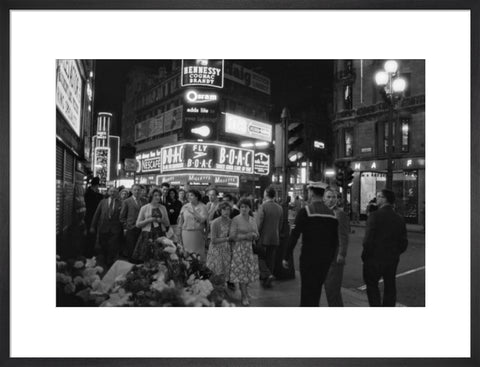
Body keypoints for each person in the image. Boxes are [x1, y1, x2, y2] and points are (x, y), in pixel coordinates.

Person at [282, 182, 339, 307]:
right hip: (324, 260)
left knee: (307, 291)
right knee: (317, 289)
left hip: (309, 259)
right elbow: (335, 241)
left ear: (311, 193)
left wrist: (286, 256)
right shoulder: (332, 214)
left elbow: (294, 235)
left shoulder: (306, 211)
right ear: (323, 194)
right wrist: (331, 259)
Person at [362, 189, 408, 307]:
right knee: (390, 286)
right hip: (391, 258)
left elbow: (368, 240)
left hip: (374, 258)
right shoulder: (399, 218)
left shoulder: (374, 216)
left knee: (372, 286)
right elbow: (403, 242)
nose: (376, 198)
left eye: (379, 196)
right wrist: (395, 252)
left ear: (385, 199)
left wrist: (366, 255)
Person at [229, 198, 260, 306]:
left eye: (246, 207)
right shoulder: (235, 220)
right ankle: (244, 295)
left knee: (248, 272)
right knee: (242, 273)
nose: (243, 209)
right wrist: (246, 236)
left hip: (249, 249)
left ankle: (244, 291)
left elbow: (257, 234)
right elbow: (232, 236)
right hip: (238, 249)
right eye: (242, 206)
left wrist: (254, 236)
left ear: (249, 208)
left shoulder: (252, 219)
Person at [323, 188, 350, 307]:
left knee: (332, 288)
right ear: (323, 198)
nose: (331, 199)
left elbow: (343, 236)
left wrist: (342, 253)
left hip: (334, 256)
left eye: (333, 197)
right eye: (328, 197)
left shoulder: (340, 214)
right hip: (324, 256)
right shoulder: (322, 212)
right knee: (328, 288)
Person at [132, 189, 170, 262]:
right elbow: (138, 224)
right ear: (151, 196)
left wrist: (161, 220)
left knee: (160, 258)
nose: (158, 197)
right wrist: (149, 220)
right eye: (155, 195)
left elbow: (167, 223)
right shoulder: (144, 208)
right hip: (147, 235)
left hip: (160, 234)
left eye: (159, 195)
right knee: (147, 258)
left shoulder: (163, 208)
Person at [256, 187, 283, 288]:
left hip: (263, 237)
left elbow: (259, 223)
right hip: (275, 238)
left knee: (261, 257)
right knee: (271, 259)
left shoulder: (263, 207)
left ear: (266, 194)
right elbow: (280, 224)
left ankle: (266, 275)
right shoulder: (279, 208)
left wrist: (256, 235)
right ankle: (268, 277)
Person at [89, 187, 123, 268]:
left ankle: (109, 262)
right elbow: (96, 214)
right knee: (103, 245)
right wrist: (92, 226)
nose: (112, 193)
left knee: (112, 246)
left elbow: (122, 216)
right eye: (111, 191)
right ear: (108, 192)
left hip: (115, 229)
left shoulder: (121, 203)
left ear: (117, 193)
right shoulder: (102, 202)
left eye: (114, 191)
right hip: (103, 228)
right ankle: (103, 260)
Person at [178, 189, 208, 260]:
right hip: (185, 232)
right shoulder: (185, 206)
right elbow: (180, 221)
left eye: (191, 195)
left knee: (197, 255)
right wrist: (179, 233)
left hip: (197, 233)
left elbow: (202, 220)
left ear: (197, 197)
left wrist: (193, 211)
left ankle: (199, 269)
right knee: (187, 254)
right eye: (188, 195)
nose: (189, 197)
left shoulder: (203, 207)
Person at [206, 201, 233, 281]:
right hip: (216, 250)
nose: (226, 212)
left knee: (225, 272)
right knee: (216, 272)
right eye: (224, 210)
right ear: (220, 211)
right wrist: (227, 239)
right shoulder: (215, 222)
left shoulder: (231, 221)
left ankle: (223, 288)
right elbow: (213, 240)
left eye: (228, 210)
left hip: (226, 249)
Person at [119, 184, 143, 260]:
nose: (137, 191)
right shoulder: (127, 201)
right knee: (131, 248)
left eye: (138, 190)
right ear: (132, 191)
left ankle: (138, 263)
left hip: (142, 228)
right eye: (135, 190)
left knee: (140, 247)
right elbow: (122, 217)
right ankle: (131, 264)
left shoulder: (144, 201)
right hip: (131, 228)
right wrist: (126, 226)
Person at [84, 176, 104, 257]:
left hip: (91, 216)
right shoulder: (90, 194)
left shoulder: (90, 193)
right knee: (91, 235)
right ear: (96, 185)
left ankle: (90, 250)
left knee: (92, 235)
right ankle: (89, 252)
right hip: (90, 216)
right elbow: (93, 205)